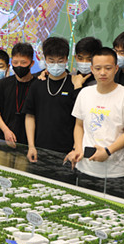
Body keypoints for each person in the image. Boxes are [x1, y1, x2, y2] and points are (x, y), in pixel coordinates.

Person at [65, 47, 124, 187]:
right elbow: (79, 125)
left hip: (114, 171)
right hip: (84, 167)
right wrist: (78, 149)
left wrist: (108, 151)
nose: (103, 72)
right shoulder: (85, 93)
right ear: (92, 69)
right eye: (98, 68)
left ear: (116, 68)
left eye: (108, 68)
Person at [24, 37, 85, 183]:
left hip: (67, 154)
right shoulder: (37, 84)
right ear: (45, 60)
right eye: (51, 61)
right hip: (39, 151)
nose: (56, 65)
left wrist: (75, 149)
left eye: (60, 60)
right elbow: (30, 116)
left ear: (66, 60)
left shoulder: (74, 85)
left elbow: (80, 122)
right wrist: (31, 146)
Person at [0, 43, 35, 171]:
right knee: (0, 178)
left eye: (23, 63)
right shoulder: (4, 83)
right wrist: (6, 130)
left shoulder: (37, 85)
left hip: (26, 148)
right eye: (15, 62)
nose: (19, 66)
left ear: (31, 63)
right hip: (3, 144)